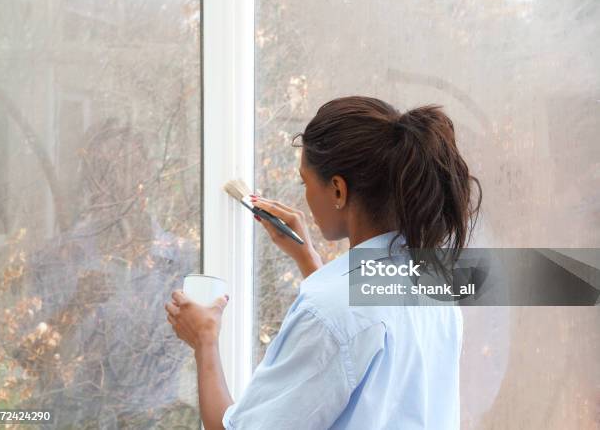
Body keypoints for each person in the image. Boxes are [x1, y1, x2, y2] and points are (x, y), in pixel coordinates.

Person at [165, 96, 481, 429]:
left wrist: (204, 340)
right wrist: (308, 260)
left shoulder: (330, 310)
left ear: (338, 191)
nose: (304, 195)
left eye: (305, 182)